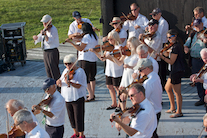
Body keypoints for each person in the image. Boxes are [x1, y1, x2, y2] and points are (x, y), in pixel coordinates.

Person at [89, 31, 123, 110]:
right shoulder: (108, 48)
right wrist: (94, 52)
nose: (109, 41)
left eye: (111, 39)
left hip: (116, 70)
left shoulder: (119, 47)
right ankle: (114, 103)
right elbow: (102, 58)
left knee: (117, 87)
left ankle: (119, 104)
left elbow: (118, 60)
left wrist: (109, 58)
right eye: (108, 39)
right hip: (109, 70)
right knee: (109, 86)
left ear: (115, 38)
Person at [56, 54, 87, 138]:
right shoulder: (66, 71)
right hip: (67, 98)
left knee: (79, 117)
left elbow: (79, 85)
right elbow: (61, 82)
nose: (67, 65)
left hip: (77, 97)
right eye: (65, 64)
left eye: (69, 63)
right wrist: (58, 82)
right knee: (71, 117)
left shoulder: (80, 71)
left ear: (74, 62)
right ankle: (75, 133)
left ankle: (81, 134)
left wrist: (70, 83)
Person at [66, 22, 98, 102]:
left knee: (86, 78)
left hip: (85, 58)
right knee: (92, 77)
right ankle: (92, 93)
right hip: (93, 58)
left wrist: (71, 43)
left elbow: (80, 48)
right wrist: (77, 38)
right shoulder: (94, 36)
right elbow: (84, 41)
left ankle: (91, 95)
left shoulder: (86, 37)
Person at [107, 37, 139, 111]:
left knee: (133, 95)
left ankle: (135, 110)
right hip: (125, 76)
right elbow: (119, 63)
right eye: (128, 45)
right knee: (121, 95)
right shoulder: (126, 54)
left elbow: (139, 67)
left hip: (132, 76)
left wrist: (130, 67)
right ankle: (123, 110)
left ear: (134, 45)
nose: (128, 47)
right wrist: (111, 57)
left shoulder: (137, 55)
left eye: (130, 45)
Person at [159, 29, 185, 119]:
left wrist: (162, 57)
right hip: (173, 71)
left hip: (176, 71)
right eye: (167, 37)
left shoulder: (176, 47)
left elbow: (171, 61)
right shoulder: (173, 46)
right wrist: (165, 53)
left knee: (177, 92)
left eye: (170, 37)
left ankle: (179, 111)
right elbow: (168, 55)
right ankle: (173, 107)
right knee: (167, 88)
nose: (168, 39)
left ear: (175, 36)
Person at [134, 58, 162, 137]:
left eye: (140, 70)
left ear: (147, 68)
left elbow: (143, 99)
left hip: (152, 112)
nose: (139, 73)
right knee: (153, 133)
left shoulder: (148, 82)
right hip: (157, 109)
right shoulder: (155, 76)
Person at [184, 18, 207, 106]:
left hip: (204, 60)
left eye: (198, 25)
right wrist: (186, 47)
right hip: (195, 59)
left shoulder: (205, 33)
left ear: (202, 24)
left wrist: (204, 40)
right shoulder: (193, 33)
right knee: (197, 78)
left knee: (205, 79)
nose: (197, 27)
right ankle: (201, 98)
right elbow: (187, 43)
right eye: (195, 26)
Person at [33, 14, 60, 81]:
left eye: (45, 23)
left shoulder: (53, 29)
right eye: (43, 23)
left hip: (52, 51)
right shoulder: (45, 30)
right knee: (48, 70)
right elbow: (39, 38)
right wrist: (36, 38)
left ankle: (58, 86)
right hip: (45, 51)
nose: (44, 25)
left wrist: (45, 35)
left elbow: (50, 41)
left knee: (53, 70)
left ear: (49, 22)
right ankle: (51, 85)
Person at [150, 8, 169, 88]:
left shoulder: (163, 22)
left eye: (154, 15)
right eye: (152, 15)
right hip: (159, 43)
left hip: (163, 44)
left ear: (159, 14)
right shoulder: (157, 22)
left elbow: (158, 33)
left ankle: (163, 83)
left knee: (162, 66)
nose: (153, 17)